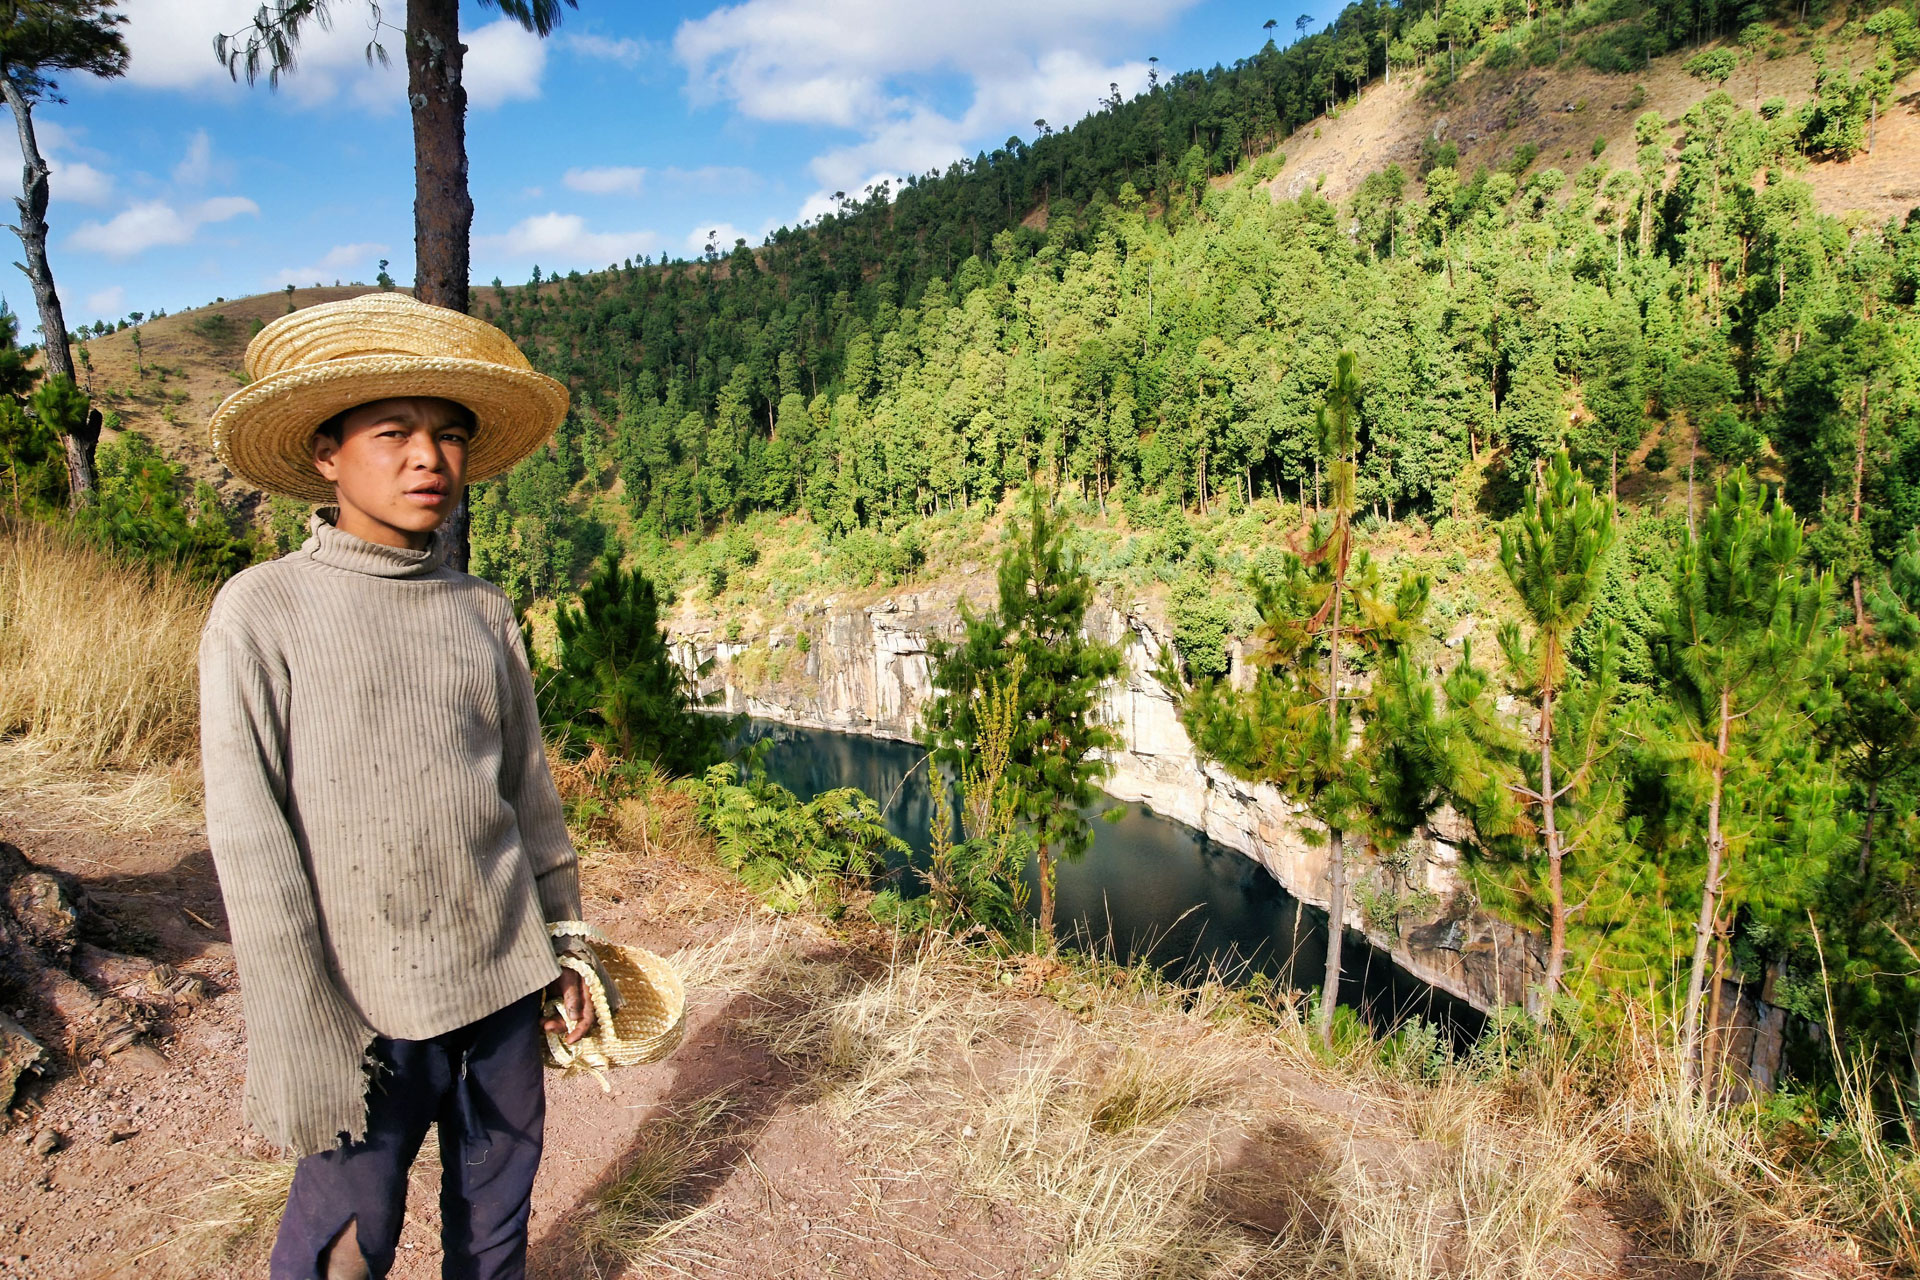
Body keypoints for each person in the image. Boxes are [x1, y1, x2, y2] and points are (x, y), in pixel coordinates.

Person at [198, 292, 597, 1280]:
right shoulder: (263, 611)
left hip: (502, 977)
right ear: (326, 455)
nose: (429, 459)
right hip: (365, 999)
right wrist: (302, 1017)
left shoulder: (480, 611)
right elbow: (250, 838)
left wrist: (565, 943)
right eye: (393, 432)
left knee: (495, 1218)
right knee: (346, 1232)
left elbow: (529, 798)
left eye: (449, 436)